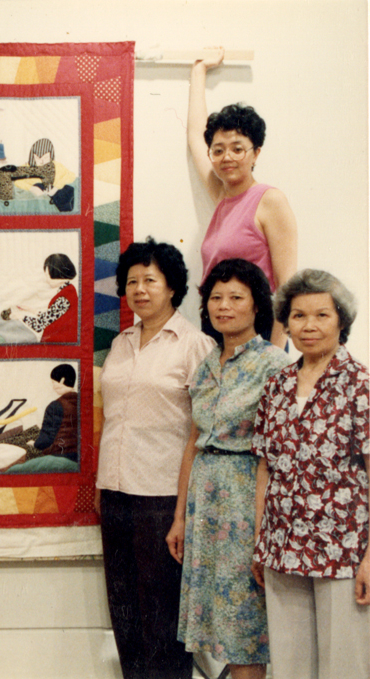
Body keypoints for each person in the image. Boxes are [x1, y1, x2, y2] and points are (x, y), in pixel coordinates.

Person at [96, 237, 215, 679]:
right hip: (116, 493)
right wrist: (100, 486)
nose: (139, 289)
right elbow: (113, 419)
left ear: (172, 288)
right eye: (131, 282)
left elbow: (203, 432)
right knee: (124, 613)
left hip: (164, 498)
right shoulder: (122, 343)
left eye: (150, 280)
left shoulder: (194, 346)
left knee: (163, 618)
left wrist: (183, 512)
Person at [166, 259, 290, 679]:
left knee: (244, 626)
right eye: (216, 297)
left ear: (257, 306)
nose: (224, 306)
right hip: (206, 501)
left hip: (245, 501)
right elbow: (193, 441)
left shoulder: (275, 366)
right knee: (216, 624)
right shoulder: (206, 365)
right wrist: (179, 516)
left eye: (236, 297)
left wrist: (265, 527)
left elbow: (280, 453)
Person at [251, 269, 369, 678]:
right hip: (281, 546)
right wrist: (259, 539)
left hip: (344, 550)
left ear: (342, 320)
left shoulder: (360, 385)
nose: (309, 326)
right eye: (298, 316)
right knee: (289, 666)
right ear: (285, 323)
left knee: (344, 666)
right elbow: (265, 466)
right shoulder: (277, 386)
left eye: (322, 314)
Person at [188, 47, 297, 347]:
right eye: (219, 149)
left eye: (238, 148)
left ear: (255, 153)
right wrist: (199, 71)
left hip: (257, 333)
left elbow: (287, 286)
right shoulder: (220, 192)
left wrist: (273, 354)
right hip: (216, 328)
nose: (227, 157)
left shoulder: (269, 200)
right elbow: (196, 136)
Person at [4, 253, 78, 343]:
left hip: (59, 342)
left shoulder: (65, 296)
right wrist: (31, 310)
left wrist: (20, 316)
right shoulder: (68, 290)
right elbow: (51, 316)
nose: (46, 279)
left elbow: (39, 325)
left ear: (56, 273)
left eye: (47, 275)